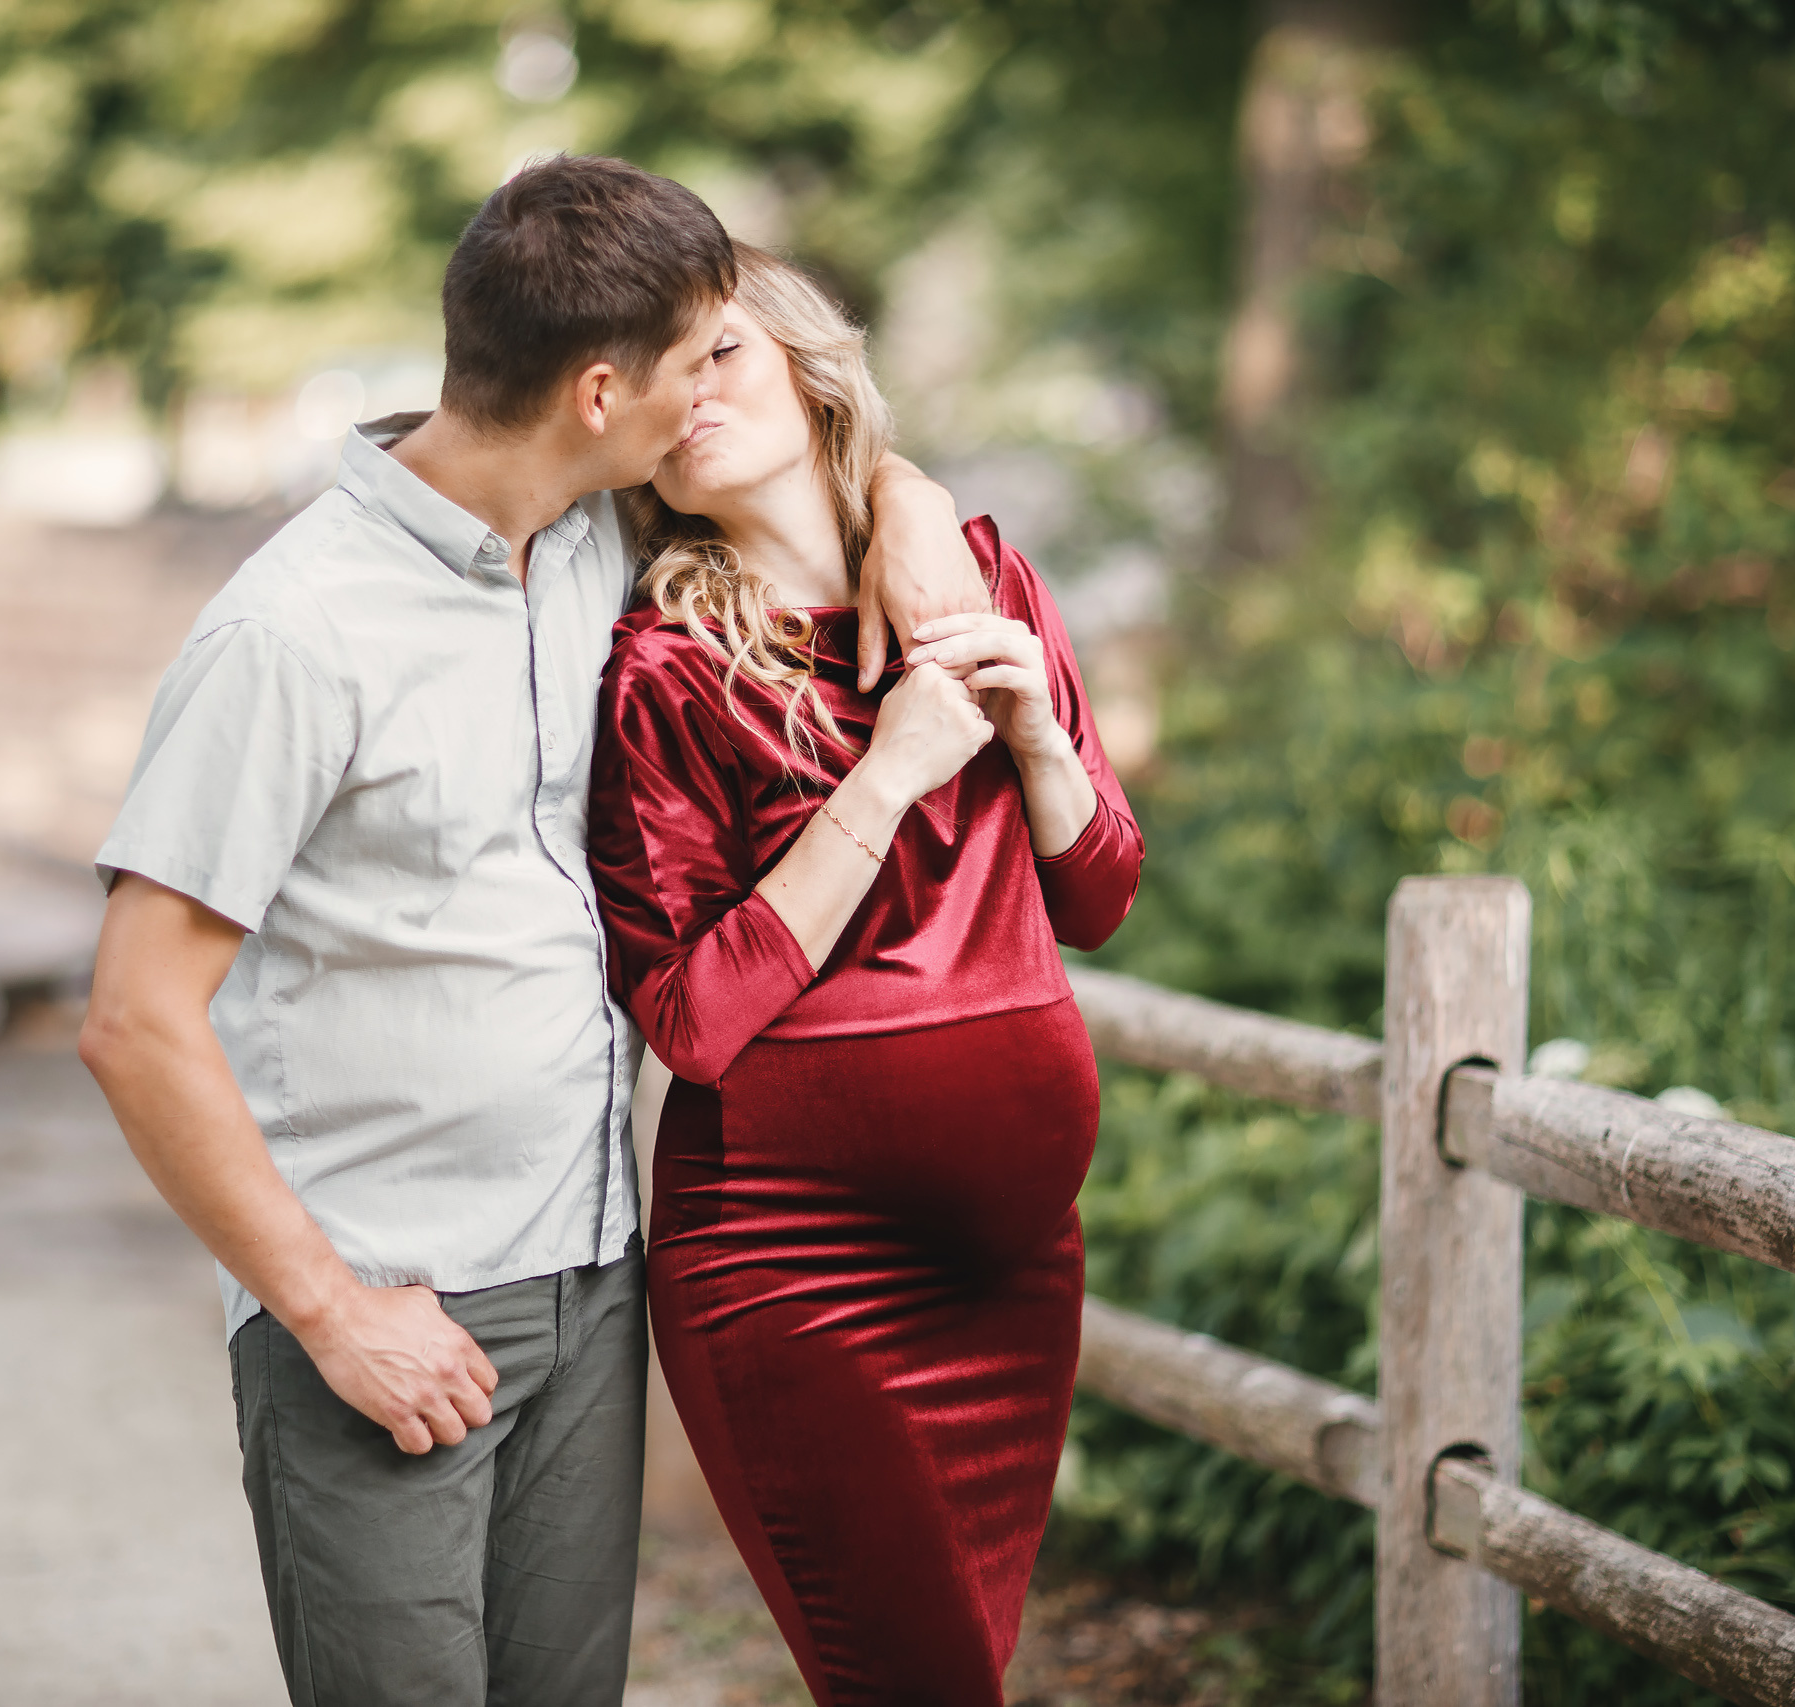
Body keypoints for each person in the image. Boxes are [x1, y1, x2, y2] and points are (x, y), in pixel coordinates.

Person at [75, 158, 984, 1707]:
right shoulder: (292, 635)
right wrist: (331, 1313)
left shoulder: (589, 538)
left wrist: (911, 502)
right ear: (598, 389)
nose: (719, 387)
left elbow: (813, 465)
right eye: (700, 357)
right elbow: (134, 1021)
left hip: (592, 1275)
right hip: (387, 1307)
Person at [588, 243, 1145, 1706]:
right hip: (792, 1268)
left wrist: (1033, 737)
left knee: (956, 1673)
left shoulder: (983, 573)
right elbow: (695, 1019)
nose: (694, 392)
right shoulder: (663, 667)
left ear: (802, 359)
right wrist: (890, 775)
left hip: (1015, 1272)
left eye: (719, 350)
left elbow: (1099, 898)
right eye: (659, 372)